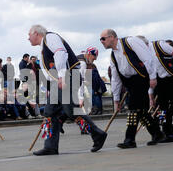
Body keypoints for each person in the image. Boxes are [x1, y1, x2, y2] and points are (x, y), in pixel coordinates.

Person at [28, 25, 107, 156]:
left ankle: (97, 134)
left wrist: (61, 76)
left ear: (36, 33)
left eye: (29, 35)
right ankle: (50, 146)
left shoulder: (50, 37)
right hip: (59, 80)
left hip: (67, 76)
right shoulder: (43, 47)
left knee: (71, 110)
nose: (28, 38)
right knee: (49, 112)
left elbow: (61, 53)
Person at [102, 31, 164, 149]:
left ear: (111, 37)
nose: (101, 42)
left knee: (133, 108)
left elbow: (147, 58)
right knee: (141, 111)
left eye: (103, 39)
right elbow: (115, 78)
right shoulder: (113, 55)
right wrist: (116, 99)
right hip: (129, 82)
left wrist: (152, 77)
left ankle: (129, 139)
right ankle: (157, 133)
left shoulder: (130, 41)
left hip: (141, 78)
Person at [142, 36, 173, 142]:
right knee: (162, 109)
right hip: (161, 81)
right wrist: (150, 95)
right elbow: (150, 75)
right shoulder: (142, 54)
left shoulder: (161, 45)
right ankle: (169, 134)